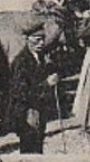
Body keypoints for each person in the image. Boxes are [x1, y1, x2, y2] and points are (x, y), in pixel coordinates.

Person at [5, 25, 59, 154]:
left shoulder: (40, 58)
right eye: (36, 39)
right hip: (26, 111)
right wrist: (46, 84)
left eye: (42, 39)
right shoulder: (21, 62)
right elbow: (21, 92)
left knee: (38, 143)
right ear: (27, 40)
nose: (40, 43)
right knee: (29, 146)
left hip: (39, 109)